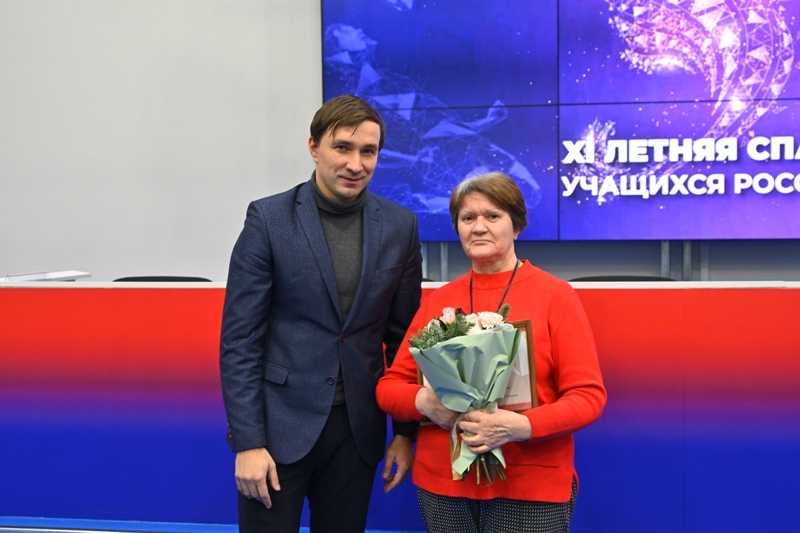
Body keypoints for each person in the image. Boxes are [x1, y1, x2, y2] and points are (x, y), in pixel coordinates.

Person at [220, 94, 422, 533]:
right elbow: (240, 342)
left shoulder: (400, 226)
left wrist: (406, 434)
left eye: (368, 151)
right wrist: (248, 442)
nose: (355, 164)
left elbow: (405, 342)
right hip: (277, 431)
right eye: (342, 148)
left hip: (357, 432)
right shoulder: (268, 219)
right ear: (314, 147)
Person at [376, 172, 607, 533]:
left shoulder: (556, 297)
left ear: (517, 226)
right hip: (445, 486)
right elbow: (390, 387)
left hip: (529, 485)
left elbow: (588, 396)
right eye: (468, 218)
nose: (479, 227)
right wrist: (427, 403)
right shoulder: (437, 302)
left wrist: (521, 426)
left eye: (493, 216)